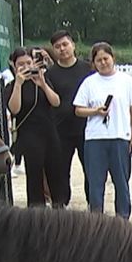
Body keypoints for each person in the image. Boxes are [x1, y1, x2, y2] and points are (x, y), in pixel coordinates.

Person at [72, 42, 132, 218]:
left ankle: (123, 220)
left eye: (106, 58)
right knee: (96, 184)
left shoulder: (125, 80)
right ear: (93, 63)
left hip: (120, 137)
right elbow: (78, 109)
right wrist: (95, 111)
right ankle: (97, 220)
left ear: (113, 58)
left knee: (122, 183)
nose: (103, 62)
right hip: (95, 139)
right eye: (98, 60)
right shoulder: (89, 83)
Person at [3, 47, 62, 208]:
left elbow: (56, 102)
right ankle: (37, 211)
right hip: (29, 136)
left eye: (28, 62)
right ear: (14, 66)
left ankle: (59, 207)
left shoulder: (43, 79)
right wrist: (18, 83)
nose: (25, 66)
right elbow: (14, 109)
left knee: (55, 173)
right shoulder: (10, 86)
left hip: (49, 132)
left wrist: (43, 84)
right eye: (20, 64)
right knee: (34, 176)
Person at [45, 30, 94, 209]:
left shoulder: (88, 69)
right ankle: (60, 205)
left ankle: (93, 204)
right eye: (57, 47)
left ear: (73, 45)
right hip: (60, 129)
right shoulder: (50, 73)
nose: (62, 49)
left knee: (90, 170)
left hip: (86, 128)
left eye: (65, 44)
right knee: (60, 170)